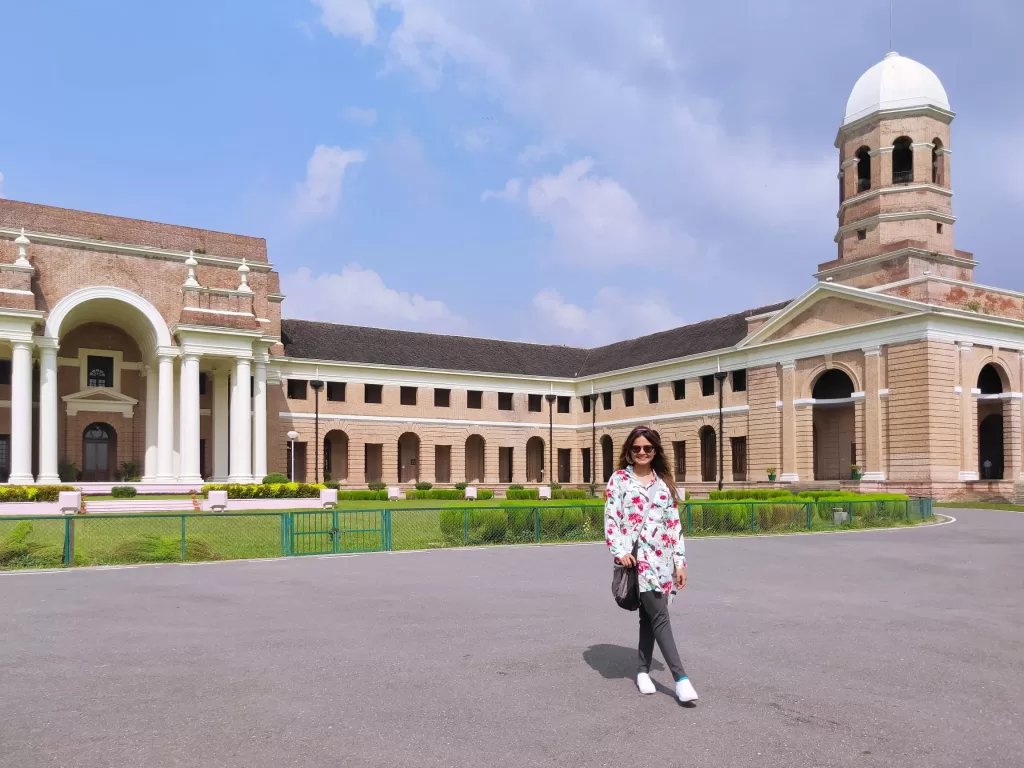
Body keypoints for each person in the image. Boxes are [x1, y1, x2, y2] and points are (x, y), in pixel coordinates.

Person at [604, 425, 698, 703]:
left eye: (647, 448)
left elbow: (673, 526)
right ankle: (681, 679)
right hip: (636, 562)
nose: (642, 452)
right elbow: (611, 518)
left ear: (655, 451)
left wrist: (680, 564)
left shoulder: (665, 484)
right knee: (659, 616)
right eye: (636, 448)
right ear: (629, 452)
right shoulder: (619, 480)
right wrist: (619, 551)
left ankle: (643, 671)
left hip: (662, 560)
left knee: (649, 616)